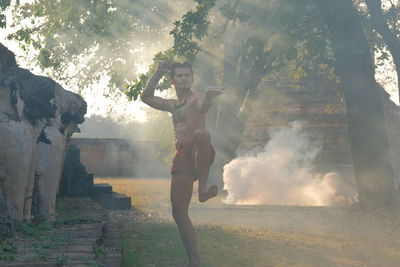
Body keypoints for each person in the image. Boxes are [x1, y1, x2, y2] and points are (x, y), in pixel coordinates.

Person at [141, 61, 223, 266]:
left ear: (192, 79)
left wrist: (210, 98)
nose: (184, 78)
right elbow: (146, 97)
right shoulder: (172, 104)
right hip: (183, 156)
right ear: (173, 80)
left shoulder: (197, 99)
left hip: (199, 151)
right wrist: (159, 71)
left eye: (187, 75)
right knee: (178, 211)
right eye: (180, 76)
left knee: (202, 134)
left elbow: (203, 105)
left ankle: (203, 188)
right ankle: (194, 261)